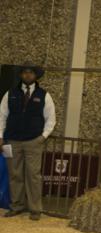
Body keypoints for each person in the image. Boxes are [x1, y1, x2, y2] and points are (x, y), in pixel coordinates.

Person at [0, 62, 56, 221]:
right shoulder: (10, 94)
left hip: (33, 141)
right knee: (14, 175)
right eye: (24, 72)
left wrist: (43, 137)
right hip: (12, 141)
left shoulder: (44, 95)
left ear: (35, 76)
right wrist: (0, 136)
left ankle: (35, 209)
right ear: (20, 75)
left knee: (33, 176)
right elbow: (2, 116)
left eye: (31, 72)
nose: (27, 75)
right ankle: (16, 206)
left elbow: (51, 120)